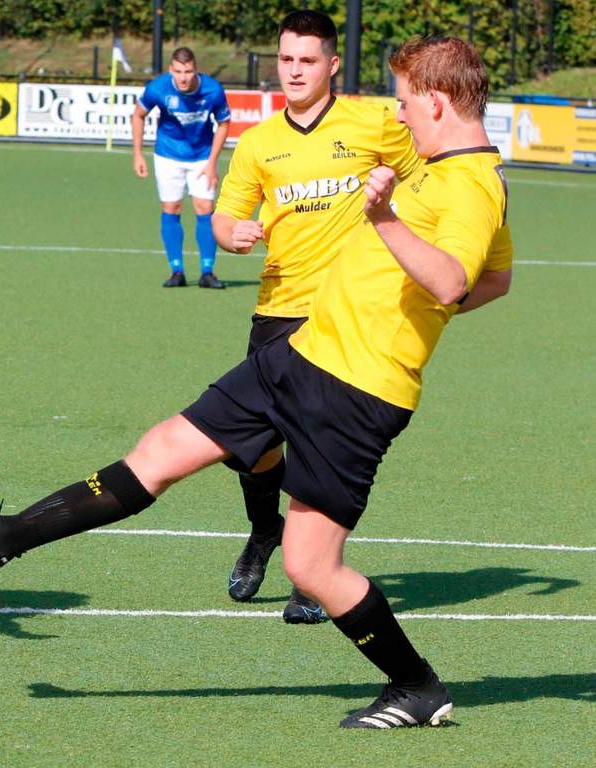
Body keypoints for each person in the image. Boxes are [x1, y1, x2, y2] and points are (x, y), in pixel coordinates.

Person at [0, 35, 511, 728]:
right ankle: (4, 537)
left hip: (355, 392)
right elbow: (496, 279)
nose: (401, 111)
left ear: (441, 104)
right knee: (160, 450)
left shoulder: (472, 183)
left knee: (311, 566)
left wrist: (387, 233)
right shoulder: (432, 164)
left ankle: (417, 686)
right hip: (299, 354)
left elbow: (455, 281)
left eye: (409, 100)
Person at [211, 10, 424, 623]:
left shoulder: (375, 122)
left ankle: (311, 575)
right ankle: (263, 530)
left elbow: (427, 174)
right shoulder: (257, 143)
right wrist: (234, 235)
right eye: (286, 59)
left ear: (332, 64)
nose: (295, 71)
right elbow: (226, 218)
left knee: (315, 449)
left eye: (307, 60)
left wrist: (396, 204)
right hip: (276, 308)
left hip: (348, 315)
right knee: (246, 448)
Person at [132, 46, 231, 289]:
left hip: (202, 156)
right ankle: (176, 270)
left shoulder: (213, 90)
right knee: (171, 207)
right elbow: (138, 115)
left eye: (188, 71)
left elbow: (224, 123)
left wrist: (212, 163)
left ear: (196, 70)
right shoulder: (158, 88)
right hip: (168, 155)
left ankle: (207, 272)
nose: (183, 77)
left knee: (205, 207)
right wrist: (138, 154)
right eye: (178, 71)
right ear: (171, 70)